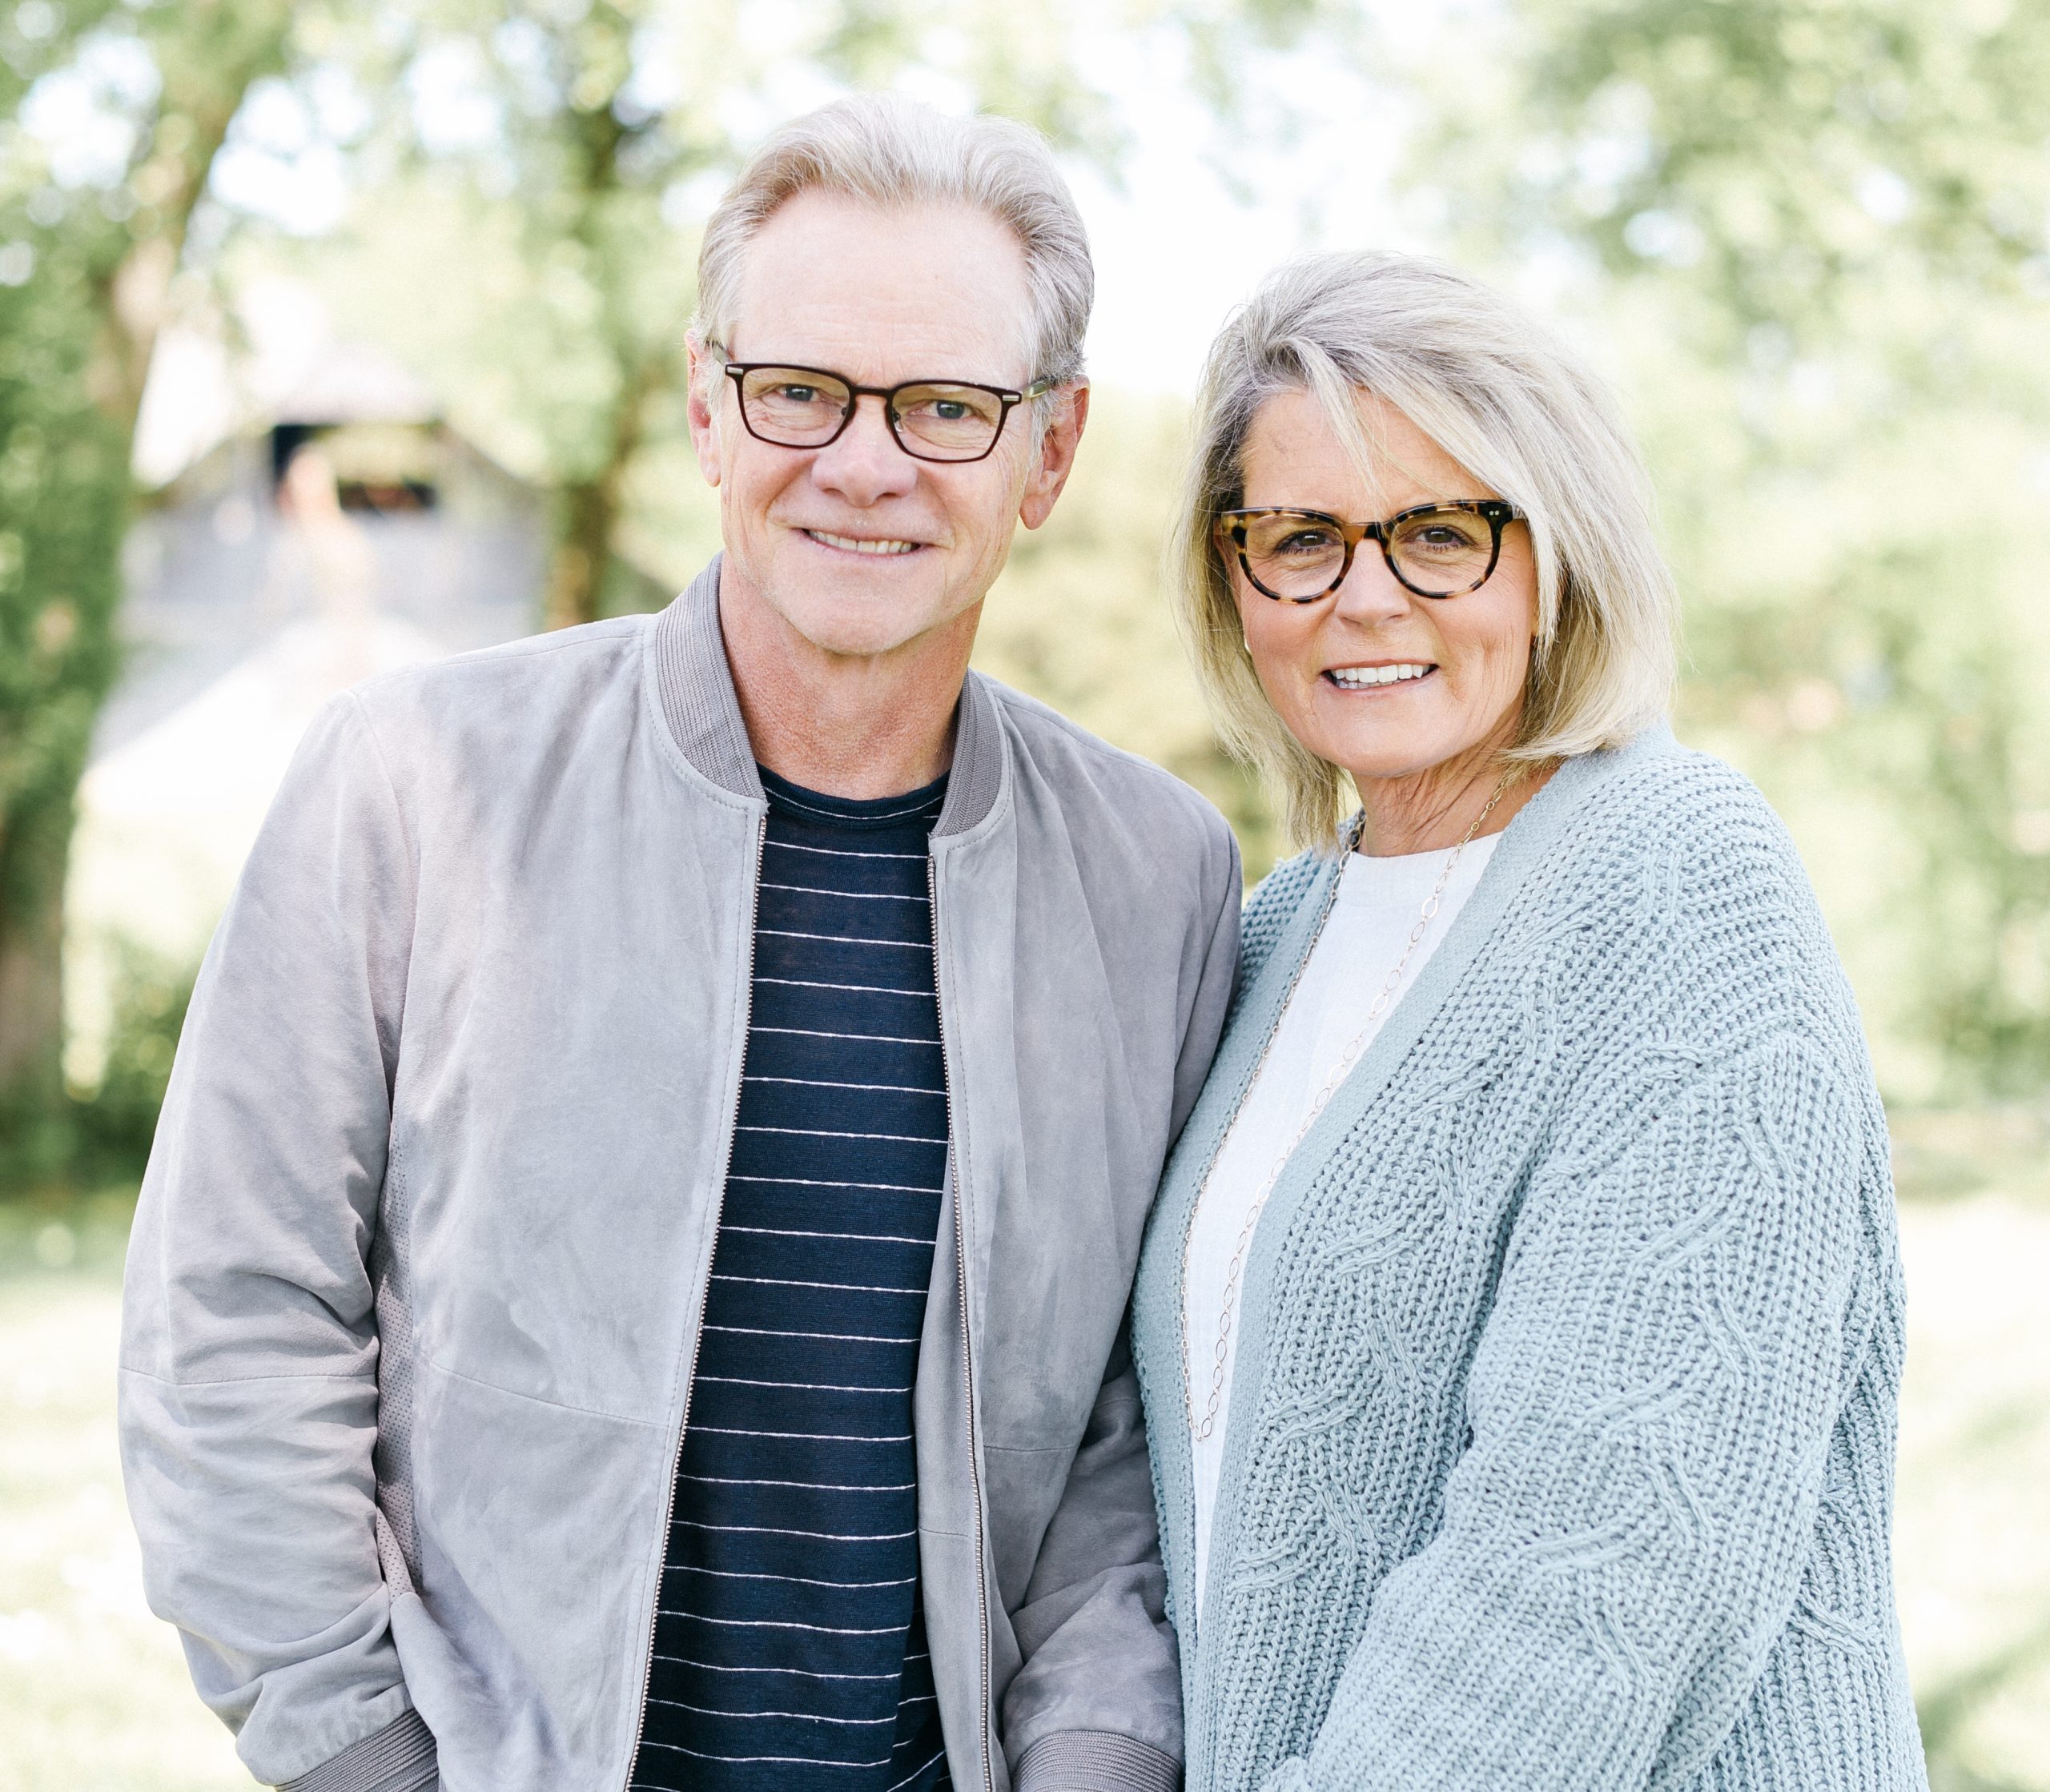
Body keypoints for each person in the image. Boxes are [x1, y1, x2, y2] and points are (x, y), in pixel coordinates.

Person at [121, 96, 1240, 1792]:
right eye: (799, 390)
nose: (862, 465)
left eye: (945, 406)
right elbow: (235, 1319)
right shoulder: (413, 782)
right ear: (712, 411)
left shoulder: (1153, 877)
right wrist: (362, 1759)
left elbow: (1118, 1439)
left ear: (1049, 453)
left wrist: (1090, 1762)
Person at [1128, 251, 1929, 1792]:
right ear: (1236, 579)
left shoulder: (1682, 882)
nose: (1366, 593)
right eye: (1300, 537)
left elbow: (1602, 1565)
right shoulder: (1274, 934)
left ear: (1555, 550)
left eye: (1439, 531)